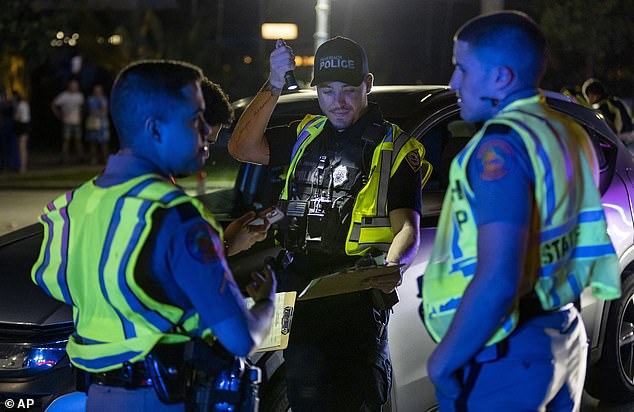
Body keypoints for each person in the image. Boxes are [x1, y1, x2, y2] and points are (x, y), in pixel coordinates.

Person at [32, 60, 277, 411]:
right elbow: (240, 338)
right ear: (155, 129)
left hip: (97, 397)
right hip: (164, 398)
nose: (202, 135)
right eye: (194, 121)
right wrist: (266, 304)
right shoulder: (176, 215)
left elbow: (68, 283)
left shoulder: (71, 208)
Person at [420, 11, 621, 411]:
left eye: (461, 68)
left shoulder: (500, 149)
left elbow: (500, 278)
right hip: (563, 332)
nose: (453, 82)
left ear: (501, 77)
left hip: (508, 351)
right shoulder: (567, 132)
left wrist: (442, 364)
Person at [228, 36, 431, 410]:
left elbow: (408, 227)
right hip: (296, 295)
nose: (338, 102)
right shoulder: (305, 134)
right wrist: (273, 83)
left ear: (367, 85)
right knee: (300, 397)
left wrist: (396, 264)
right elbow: (241, 147)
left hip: (354, 298)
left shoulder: (394, 147)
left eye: (349, 90)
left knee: (356, 399)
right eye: (327, 90)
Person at [582, 78, 634, 143]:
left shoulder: (601, 106)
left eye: (585, 95)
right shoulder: (614, 101)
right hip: (629, 136)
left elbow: (607, 128)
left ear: (590, 94)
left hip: (620, 139)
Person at [51, 78, 84, 163]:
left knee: (78, 140)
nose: (74, 87)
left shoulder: (79, 96)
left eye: (76, 86)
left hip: (77, 121)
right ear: (69, 86)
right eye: (73, 86)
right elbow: (53, 104)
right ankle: (64, 158)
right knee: (66, 140)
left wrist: (81, 115)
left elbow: (82, 107)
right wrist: (59, 114)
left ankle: (80, 158)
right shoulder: (64, 95)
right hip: (67, 121)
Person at [85, 84, 110, 165]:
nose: (97, 92)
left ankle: (105, 158)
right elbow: (91, 111)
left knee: (104, 142)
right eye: (96, 90)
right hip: (93, 122)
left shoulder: (104, 99)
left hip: (103, 123)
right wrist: (99, 112)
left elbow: (105, 111)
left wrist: (99, 112)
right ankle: (93, 158)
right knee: (93, 142)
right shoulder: (91, 100)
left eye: (99, 90)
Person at [13, 90, 30, 174]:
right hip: (25, 125)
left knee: (22, 148)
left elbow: (17, 117)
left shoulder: (20, 105)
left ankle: (23, 167)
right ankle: (24, 166)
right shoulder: (26, 104)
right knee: (23, 148)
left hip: (22, 126)